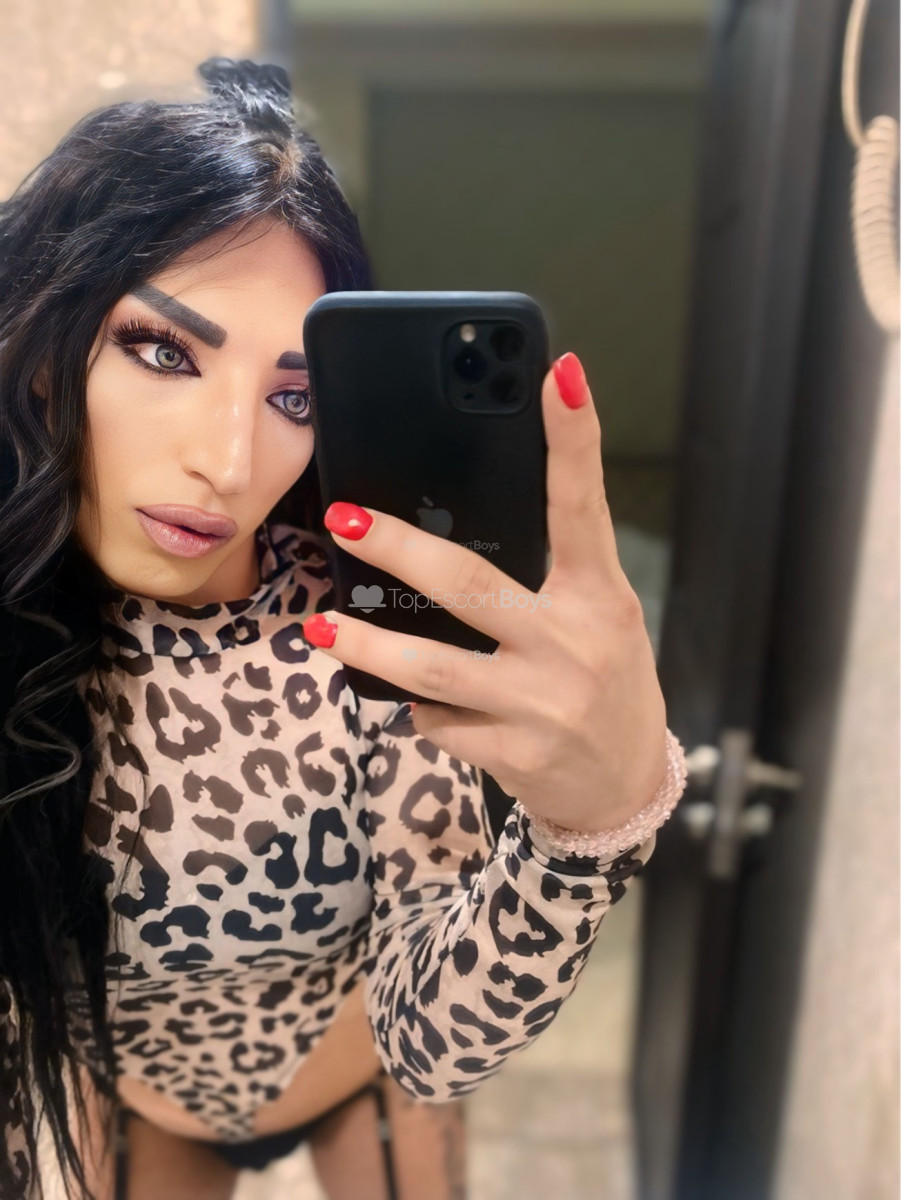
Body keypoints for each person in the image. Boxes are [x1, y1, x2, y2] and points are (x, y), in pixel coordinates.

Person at [0, 57, 686, 1200]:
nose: (229, 463)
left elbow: (433, 1041)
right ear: (39, 353)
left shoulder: (360, 628)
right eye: (163, 351)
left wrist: (585, 835)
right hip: (137, 1107)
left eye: (293, 397)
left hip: (358, 1080)